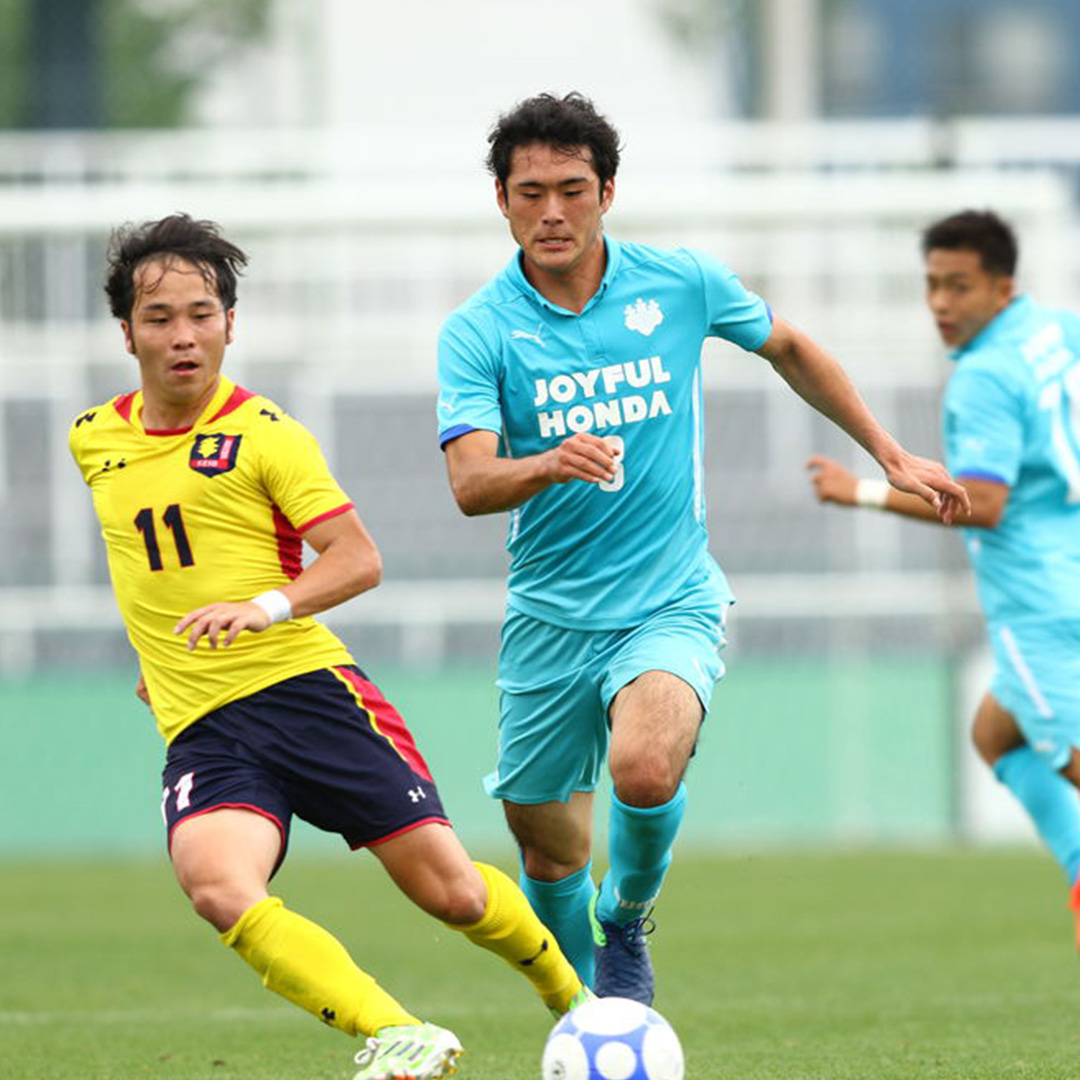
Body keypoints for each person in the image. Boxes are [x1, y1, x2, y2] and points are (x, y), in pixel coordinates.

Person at [435, 92, 968, 1005]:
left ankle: (629, 918)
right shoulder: (478, 331)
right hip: (549, 618)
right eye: (531, 193)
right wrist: (546, 463)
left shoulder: (678, 283)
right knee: (544, 844)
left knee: (645, 765)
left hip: (668, 596)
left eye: (572, 188)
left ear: (607, 191)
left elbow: (790, 347)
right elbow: (471, 485)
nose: (552, 212)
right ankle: (588, 1015)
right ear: (502, 200)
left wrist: (885, 450)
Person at [69, 213, 590, 1080]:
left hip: (307, 694)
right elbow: (146, 561)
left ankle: (577, 1001)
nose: (184, 335)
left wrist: (263, 609)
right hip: (204, 722)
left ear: (231, 323)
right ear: (126, 333)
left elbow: (359, 558)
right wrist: (152, 658)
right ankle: (396, 1031)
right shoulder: (96, 439)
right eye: (160, 318)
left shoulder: (268, 434)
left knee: (452, 893)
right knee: (216, 885)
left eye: (202, 313)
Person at [808, 209, 1080, 946]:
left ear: (1001, 285)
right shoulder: (1057, 329)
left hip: (1040, 604)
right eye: (932, 285)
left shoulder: (984, 378)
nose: (941, 305)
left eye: (960, 287)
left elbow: (983, 503)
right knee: (995, 733)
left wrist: (861, 491)